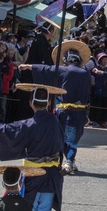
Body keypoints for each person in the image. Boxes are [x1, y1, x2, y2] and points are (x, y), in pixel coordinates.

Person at [23, 42, 92, 174]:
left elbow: (46, 69)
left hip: (65, 111)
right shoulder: (86, 73)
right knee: (72, 138)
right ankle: (70, 160)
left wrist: (28, 66)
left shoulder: (64, 70)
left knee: (64, 138)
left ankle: (69, 161)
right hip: (80, 110)